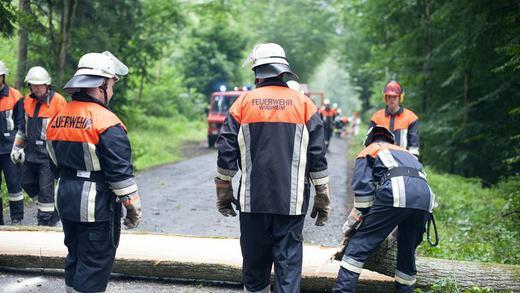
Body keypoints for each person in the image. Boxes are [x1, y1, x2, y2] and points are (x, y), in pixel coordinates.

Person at [215, 43, 330, 293]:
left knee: (255, 268)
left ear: (257, 73)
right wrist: (322, 193)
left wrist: (223, 188)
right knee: (288, 267)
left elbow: (226, 148)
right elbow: (318, 154)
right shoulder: (305, 105)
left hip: (252, 202)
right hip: (291, 202)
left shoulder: (242, 104)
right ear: (282, 71)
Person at [46, 51, 142, 293]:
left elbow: (54, 164)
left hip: (66, 199)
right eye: (112, 85)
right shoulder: (106, 121)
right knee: (94, 264)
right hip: (96, 206)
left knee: (75, 257)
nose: (112, 90)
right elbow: (119, 173)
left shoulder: (57, 117)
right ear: (102, 84)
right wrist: (132, 207)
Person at [333, 125, 435, 293]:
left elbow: (364, 198)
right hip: (426, 198)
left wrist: (352, 228)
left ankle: (342, 290)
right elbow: (412, 190)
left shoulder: (368, 151)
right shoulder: (405, 153)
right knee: (407, 252)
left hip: (399, 191)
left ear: (368, 140)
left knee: (357, 247)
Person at [11, 66, 66, 226]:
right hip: (30, 153)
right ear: (29, 86)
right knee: (25, 181)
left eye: (40, 85)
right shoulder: (27, 101)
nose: (37, 88)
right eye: (34, 85)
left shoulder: (59, 102)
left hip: (48, 155)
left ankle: (45, 223)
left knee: (45, 189)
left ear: (47, 85)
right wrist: (16, 148)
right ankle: (51, 209)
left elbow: (64, 131)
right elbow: (23, 128)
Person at [0, 60, 24, 225]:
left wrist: (19, 147)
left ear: (2, 76)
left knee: (14, 186)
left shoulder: (15, 96)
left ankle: (17, 219)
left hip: (10, 148)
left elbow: (21, 125)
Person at [370, 81, 420, 158]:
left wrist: (412, 163)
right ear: (385, 98)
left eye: (394, 96)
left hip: (403, 160)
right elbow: (370, 143)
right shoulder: (377, 117)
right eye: (389, 96)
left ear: (400, 97)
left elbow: (413, 147)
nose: (391, 99)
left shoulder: (411, 117)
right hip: (381, 160)